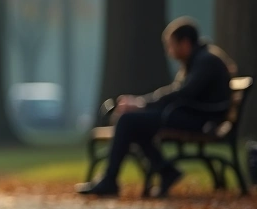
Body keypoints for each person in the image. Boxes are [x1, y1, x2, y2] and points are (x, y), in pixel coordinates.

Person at [77, 17, 234, 197]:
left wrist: (141, 103)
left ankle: (112, 179)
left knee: (128, 121)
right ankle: (165, 171)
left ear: (184, 43)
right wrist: (142, 104)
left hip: (202, 120)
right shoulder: (200, 59)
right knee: (133, 123)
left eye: (171, 45)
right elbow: (181, 93)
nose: (169, 51)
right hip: (194, 116)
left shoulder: (205, 61)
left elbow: (183, 93)